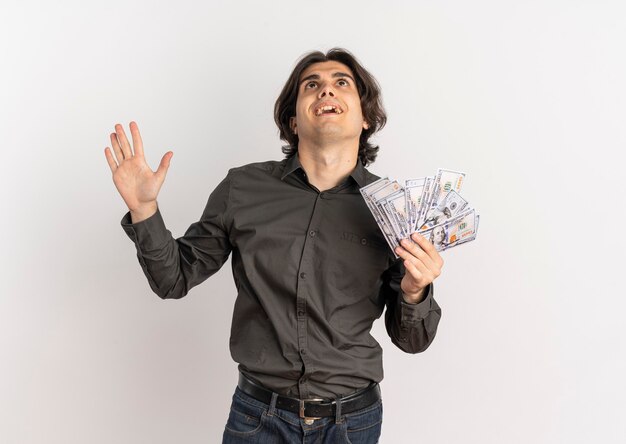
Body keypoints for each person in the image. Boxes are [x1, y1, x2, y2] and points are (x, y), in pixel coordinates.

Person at [104, 48, 444, 444]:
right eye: (311, 85)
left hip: (352, 423)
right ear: (294, 121)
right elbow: (173, 280)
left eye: (341, 83)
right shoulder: (243, 188)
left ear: (366, 118)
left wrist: (415, 290)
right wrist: (145, 210)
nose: (325, 92)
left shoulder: (395, 207)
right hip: (257, 419)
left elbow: (413, 341)